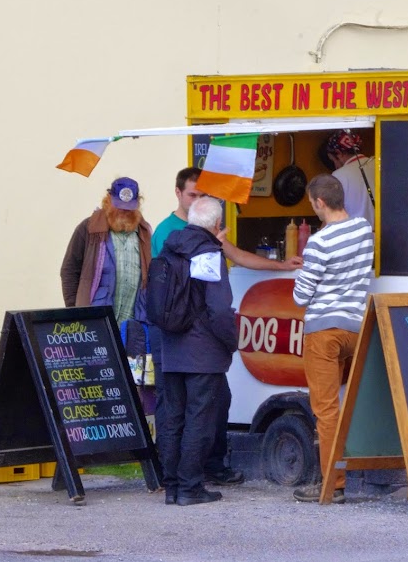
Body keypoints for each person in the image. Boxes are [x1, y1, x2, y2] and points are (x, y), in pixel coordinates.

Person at [150, 167, 303, 488]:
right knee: (192, 413)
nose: (196, 201)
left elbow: (238, 256)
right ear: (178, 194)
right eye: (193, 195)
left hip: (177, 342)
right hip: (191, 343)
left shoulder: (195, 239)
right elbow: (213, 304)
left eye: (202, 196)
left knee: (198, 409)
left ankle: (181, 479)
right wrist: (231, 340)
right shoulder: (174, 235)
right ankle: (188, 481)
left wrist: (281, 265)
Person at [291, 174, 374, 504]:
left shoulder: (319, 242)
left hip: (324, 332)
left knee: (326, 411)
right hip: (356, 328)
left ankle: (333, 484)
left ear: (320, 203)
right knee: (351, 403)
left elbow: (301, 296)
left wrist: (302, 273)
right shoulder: (364, 229)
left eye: (312, 202)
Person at [159, 196, 239, 506]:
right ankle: (190, 488)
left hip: (171, 347)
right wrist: (231, 341)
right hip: (202, 353)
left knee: (172, 418)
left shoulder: (170, 248)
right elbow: (218, 309)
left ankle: (172, 487)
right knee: (199, 420)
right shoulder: (208, 253)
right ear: (217, 224)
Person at [60, 177, 152, 323]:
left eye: (129, 208)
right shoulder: (88, 228)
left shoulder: (145, 234)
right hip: (94, 322)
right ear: (108, 200)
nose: (124, 212)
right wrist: (74, 312)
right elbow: (69, 271)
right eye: (119, 206)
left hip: (131, 325)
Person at [324, 129, 376, 229]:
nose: (335, 165)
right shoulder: (377, 165)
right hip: (382, 234)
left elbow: (331, 216)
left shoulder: (338, 176)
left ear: (339, 153)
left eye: (333, 160)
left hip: (355, 236)